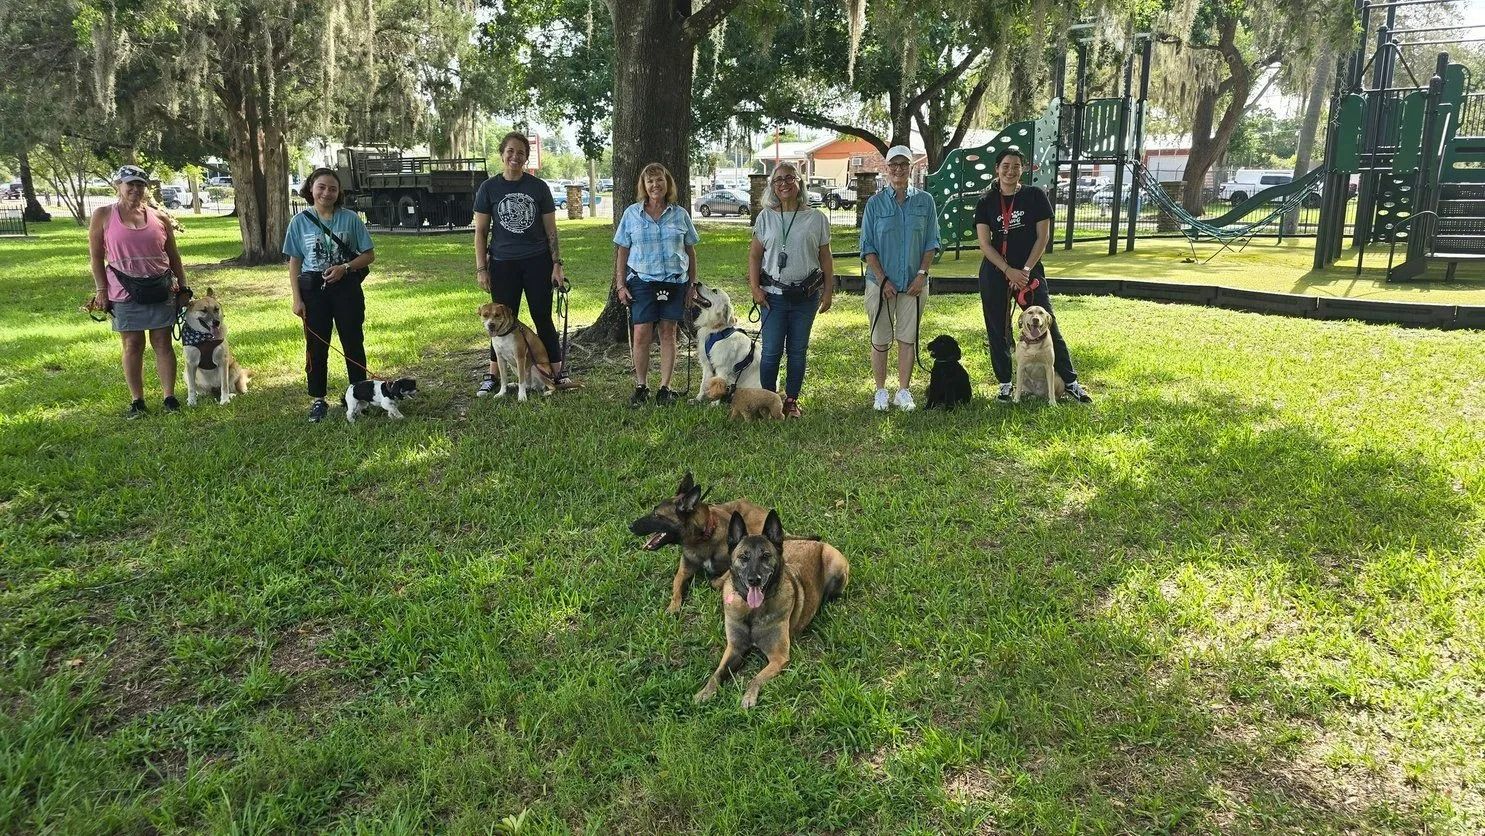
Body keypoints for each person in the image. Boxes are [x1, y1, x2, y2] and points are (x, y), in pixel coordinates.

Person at [974, 148, 1092, 403]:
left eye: (1016, 166)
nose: (1010, 170)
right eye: (1005, 165)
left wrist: (1025, 270)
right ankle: (1006, 383)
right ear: (997, 168)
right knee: (998, 327)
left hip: (1030, 272)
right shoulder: (986, 200)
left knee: (1047, 322)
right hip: (996, 271)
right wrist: (1008, 271)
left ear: (1023, 169)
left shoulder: (1035, 196)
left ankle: (1070, 381)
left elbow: (1043, 237)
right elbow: (985, 244)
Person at [473, 132, 580, 396]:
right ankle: (492, 375)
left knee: (542, 317)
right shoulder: (489, 188)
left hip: (537, 262)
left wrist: (557, 263)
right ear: (502, 154)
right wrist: (481, 268)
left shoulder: (538, 187)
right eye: (510, 151)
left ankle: (556, 371)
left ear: (526, 158)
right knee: (498, 322)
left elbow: (551, 230)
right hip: (502, 263)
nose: (515, 156)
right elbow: (481, 232)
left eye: (520, 152)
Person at [87, 165, 185, 419]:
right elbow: (96, 257)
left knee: (163, 343)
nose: (135, 189)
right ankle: (137, 400)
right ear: (118, 185)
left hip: (160, 288)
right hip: (123, 290)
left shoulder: (159, 217)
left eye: (140, 184)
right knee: (132, 344)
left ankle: (169, 397)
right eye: (130, 184)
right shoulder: (103, 215)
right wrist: (101, 289)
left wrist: (183, 287)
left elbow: (173, 255)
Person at [284, 167, 377, 423]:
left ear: (339, 193)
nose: (327, 192)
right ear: (311, 189)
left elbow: (368, 254)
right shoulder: (299, 222)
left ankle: (359, 394)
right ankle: (318, 398)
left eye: (333, 188)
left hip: (346, 289)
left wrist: (345, 267)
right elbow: (295, 261)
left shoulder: (350, 219)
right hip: (314, 291)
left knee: (353, 341)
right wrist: (297, 298)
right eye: (321, 187)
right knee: (316, 346)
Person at [747, 162, 833, 418]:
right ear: (773, 187)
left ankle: (792, 400)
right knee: (771, 351)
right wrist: (755, 288)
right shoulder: (766, 217)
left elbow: (825, 257)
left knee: (797, 351)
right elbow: (754, 256)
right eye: (778, 180)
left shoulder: (816, 218)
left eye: (789, 178)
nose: (783, 183)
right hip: (772, 296)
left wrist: (828, 290)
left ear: (799, 183)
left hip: (805, 297)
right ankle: (768, 399)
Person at [858, 145, 939, 412]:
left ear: (911, 168)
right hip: (880, 285)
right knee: (880, 338)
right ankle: (881, 391)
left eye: (904, 164)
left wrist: (921, 275)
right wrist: (882, 280)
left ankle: (903, 391)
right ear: (887, 168)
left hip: (914, 284)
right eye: (894, 165)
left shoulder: (925, 201)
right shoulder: (875, 203)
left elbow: (931, 242)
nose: (898, 169)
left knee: (907, 338)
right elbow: (867, 246)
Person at [614, 162, 700, 407]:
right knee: (641, 333)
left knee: (667, 333)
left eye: (659, 180)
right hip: (642, 282)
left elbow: (690, 251)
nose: (655, 185)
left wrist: (692, 284)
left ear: (667, 183)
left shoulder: (680, 214)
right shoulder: (631, 214)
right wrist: (621, 285)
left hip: (675, 282)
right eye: (650, 181)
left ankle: (665, 387)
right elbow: (622, 250)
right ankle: (641, 386)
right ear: (644, 185)